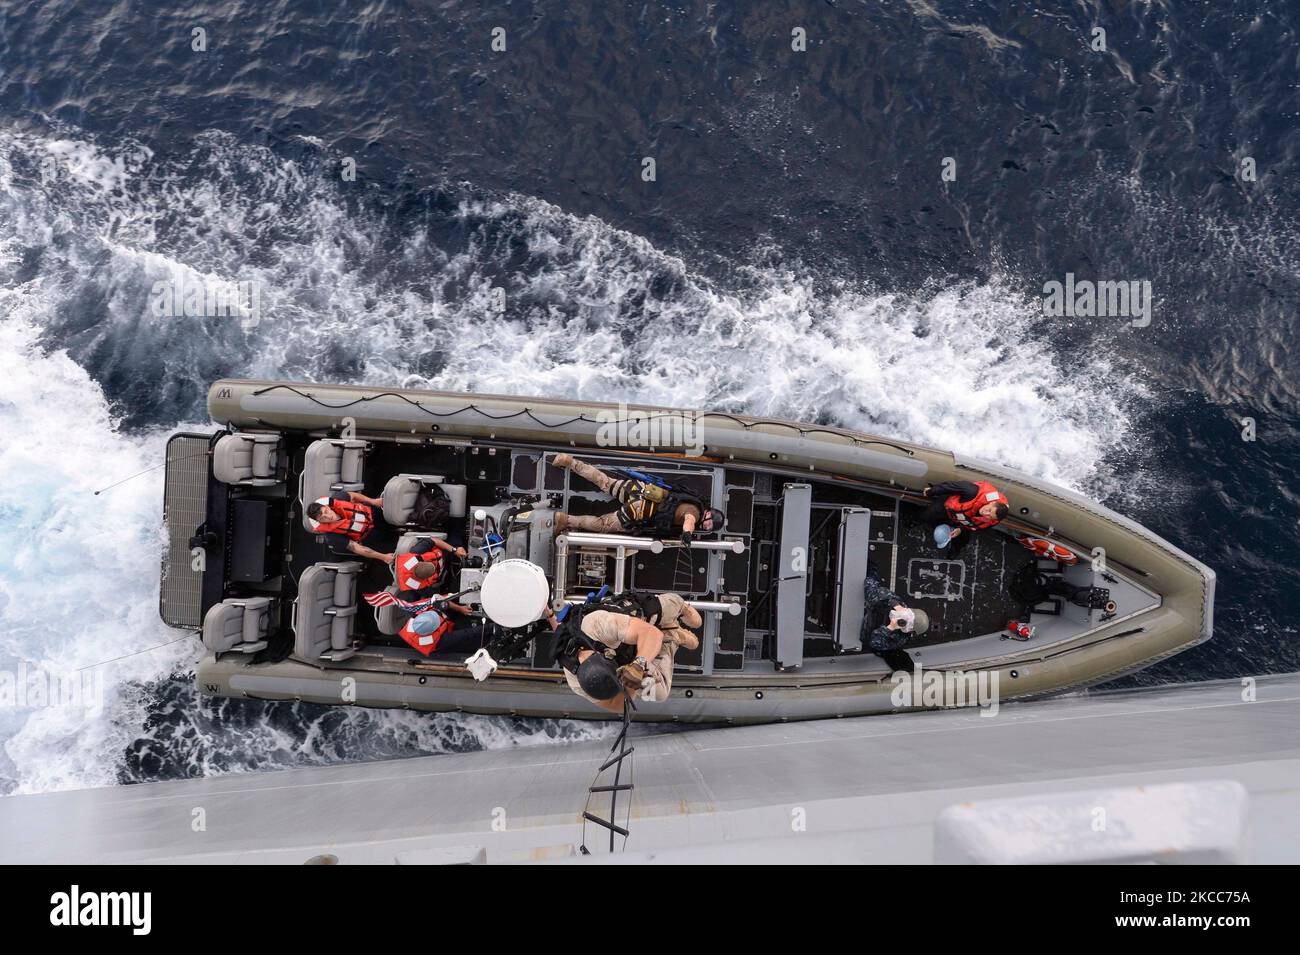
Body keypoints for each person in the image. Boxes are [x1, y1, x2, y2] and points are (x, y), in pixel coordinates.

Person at [545, 592, 702, 713]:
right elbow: (617, 705)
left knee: (696, 621)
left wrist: (639, 665)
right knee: (658, 693)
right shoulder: (576, 683)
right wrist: (630, 683)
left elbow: (652, 633)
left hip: (639, 617)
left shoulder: (596, 624)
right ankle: (672, 637)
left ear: (606, 656)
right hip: (628, 656)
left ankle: (678, 609)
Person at [551, 454, 725, 543]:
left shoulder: (692, 501)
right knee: (602, 525)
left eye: (708, 527)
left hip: (639, 490)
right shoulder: (694, 511)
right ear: (708, 514)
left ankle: (569, 461)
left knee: (604, 481)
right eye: (708, 523)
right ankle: (566, 520)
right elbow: (689, 520)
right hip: (639, 510)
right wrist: (687, 533)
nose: (705, 525)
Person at [859, 566, 928, 673]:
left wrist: (890, 628)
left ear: (911, 631)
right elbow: (870, 588)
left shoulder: (898, 639)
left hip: (861, 626)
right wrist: (894, 603)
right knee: (872, 571)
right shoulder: (898, 604)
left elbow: (874, 642)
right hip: (863, 606)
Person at [921, 480, 1009, 555]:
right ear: (992, 502)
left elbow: (976, 528)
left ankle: (954, 552)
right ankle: (927, 526)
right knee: (928, 515)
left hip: (963, 521)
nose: (985, 513)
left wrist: (961, 529)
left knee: (963, 538)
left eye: (989, 516)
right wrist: (931, 491)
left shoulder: (992, 520)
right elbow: (950, 486)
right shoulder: (972, 492)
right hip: (948, 508)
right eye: (989, 510)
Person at [306, 490, 396, 564]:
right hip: (370, 536)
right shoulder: (332, 537)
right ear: (320, 522)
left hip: (373, 513)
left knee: (393, 502)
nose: (328, 516)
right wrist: (384, 557)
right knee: (395, 549)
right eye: (323, 518)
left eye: (326, 511)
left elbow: (353, 495)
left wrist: (373, 501)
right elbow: (356, 548)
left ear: (327, 507)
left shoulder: (338, 498)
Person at [393, 536, 468, 595]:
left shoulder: (416, 552)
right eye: (435, 569)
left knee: (457, 538)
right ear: (425, 578)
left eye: (433, 565)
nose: (436, 566)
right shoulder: (418, 586)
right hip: (447, 576)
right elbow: (436, 597)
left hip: (446, 553)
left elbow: (433, 540)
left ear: (421, 562)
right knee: (458, 591)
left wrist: (454, 550)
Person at [399, 603, 478, 657]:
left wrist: (460, 608)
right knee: (468, 639)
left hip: (442, 624)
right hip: (446, 640)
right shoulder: (442, 641)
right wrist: (489, 627)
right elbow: (466, 634)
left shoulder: (417, 617)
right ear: (433, 630)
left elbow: (439, 601)